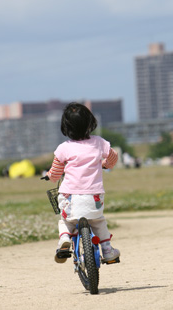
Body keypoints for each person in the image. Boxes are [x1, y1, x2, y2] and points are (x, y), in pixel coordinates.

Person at [44, 102, 120, 264]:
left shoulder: (64, 148)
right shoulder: (99, 143)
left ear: (66, 127)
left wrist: (49, 176)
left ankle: (64, 239)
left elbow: (56, 173)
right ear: (90, 123)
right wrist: (105, 164)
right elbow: (113, 158)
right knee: (98, 221)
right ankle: (107, 250)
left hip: (69, 195)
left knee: (66, 221)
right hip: (94, 196)